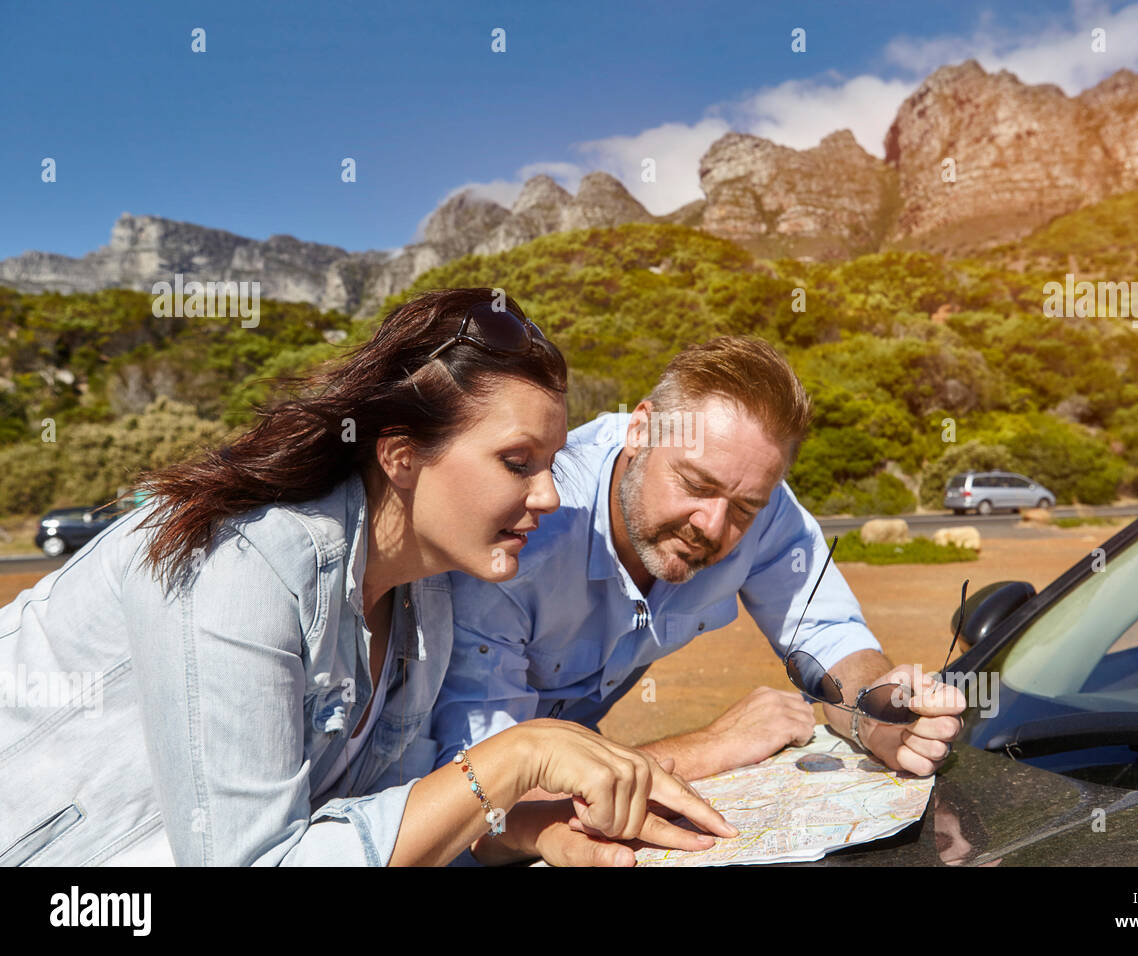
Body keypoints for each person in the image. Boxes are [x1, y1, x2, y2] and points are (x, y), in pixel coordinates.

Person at [0, 287, 734, 867]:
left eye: (552, 468)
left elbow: (391, 818)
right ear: (401, 454)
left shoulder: (432, 595)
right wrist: (514, 757)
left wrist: (523, 831)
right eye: (517, 463)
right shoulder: (244, 563)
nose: (547, 496)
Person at [427, 335, 968, 865]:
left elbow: (827, 634)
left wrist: (874, 711)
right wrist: (709, 745)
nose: (712, 526)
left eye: (744, 509)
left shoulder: (762, 501)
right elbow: (488, 801)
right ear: (639, 430)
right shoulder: (524, 529)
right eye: (696, 484)